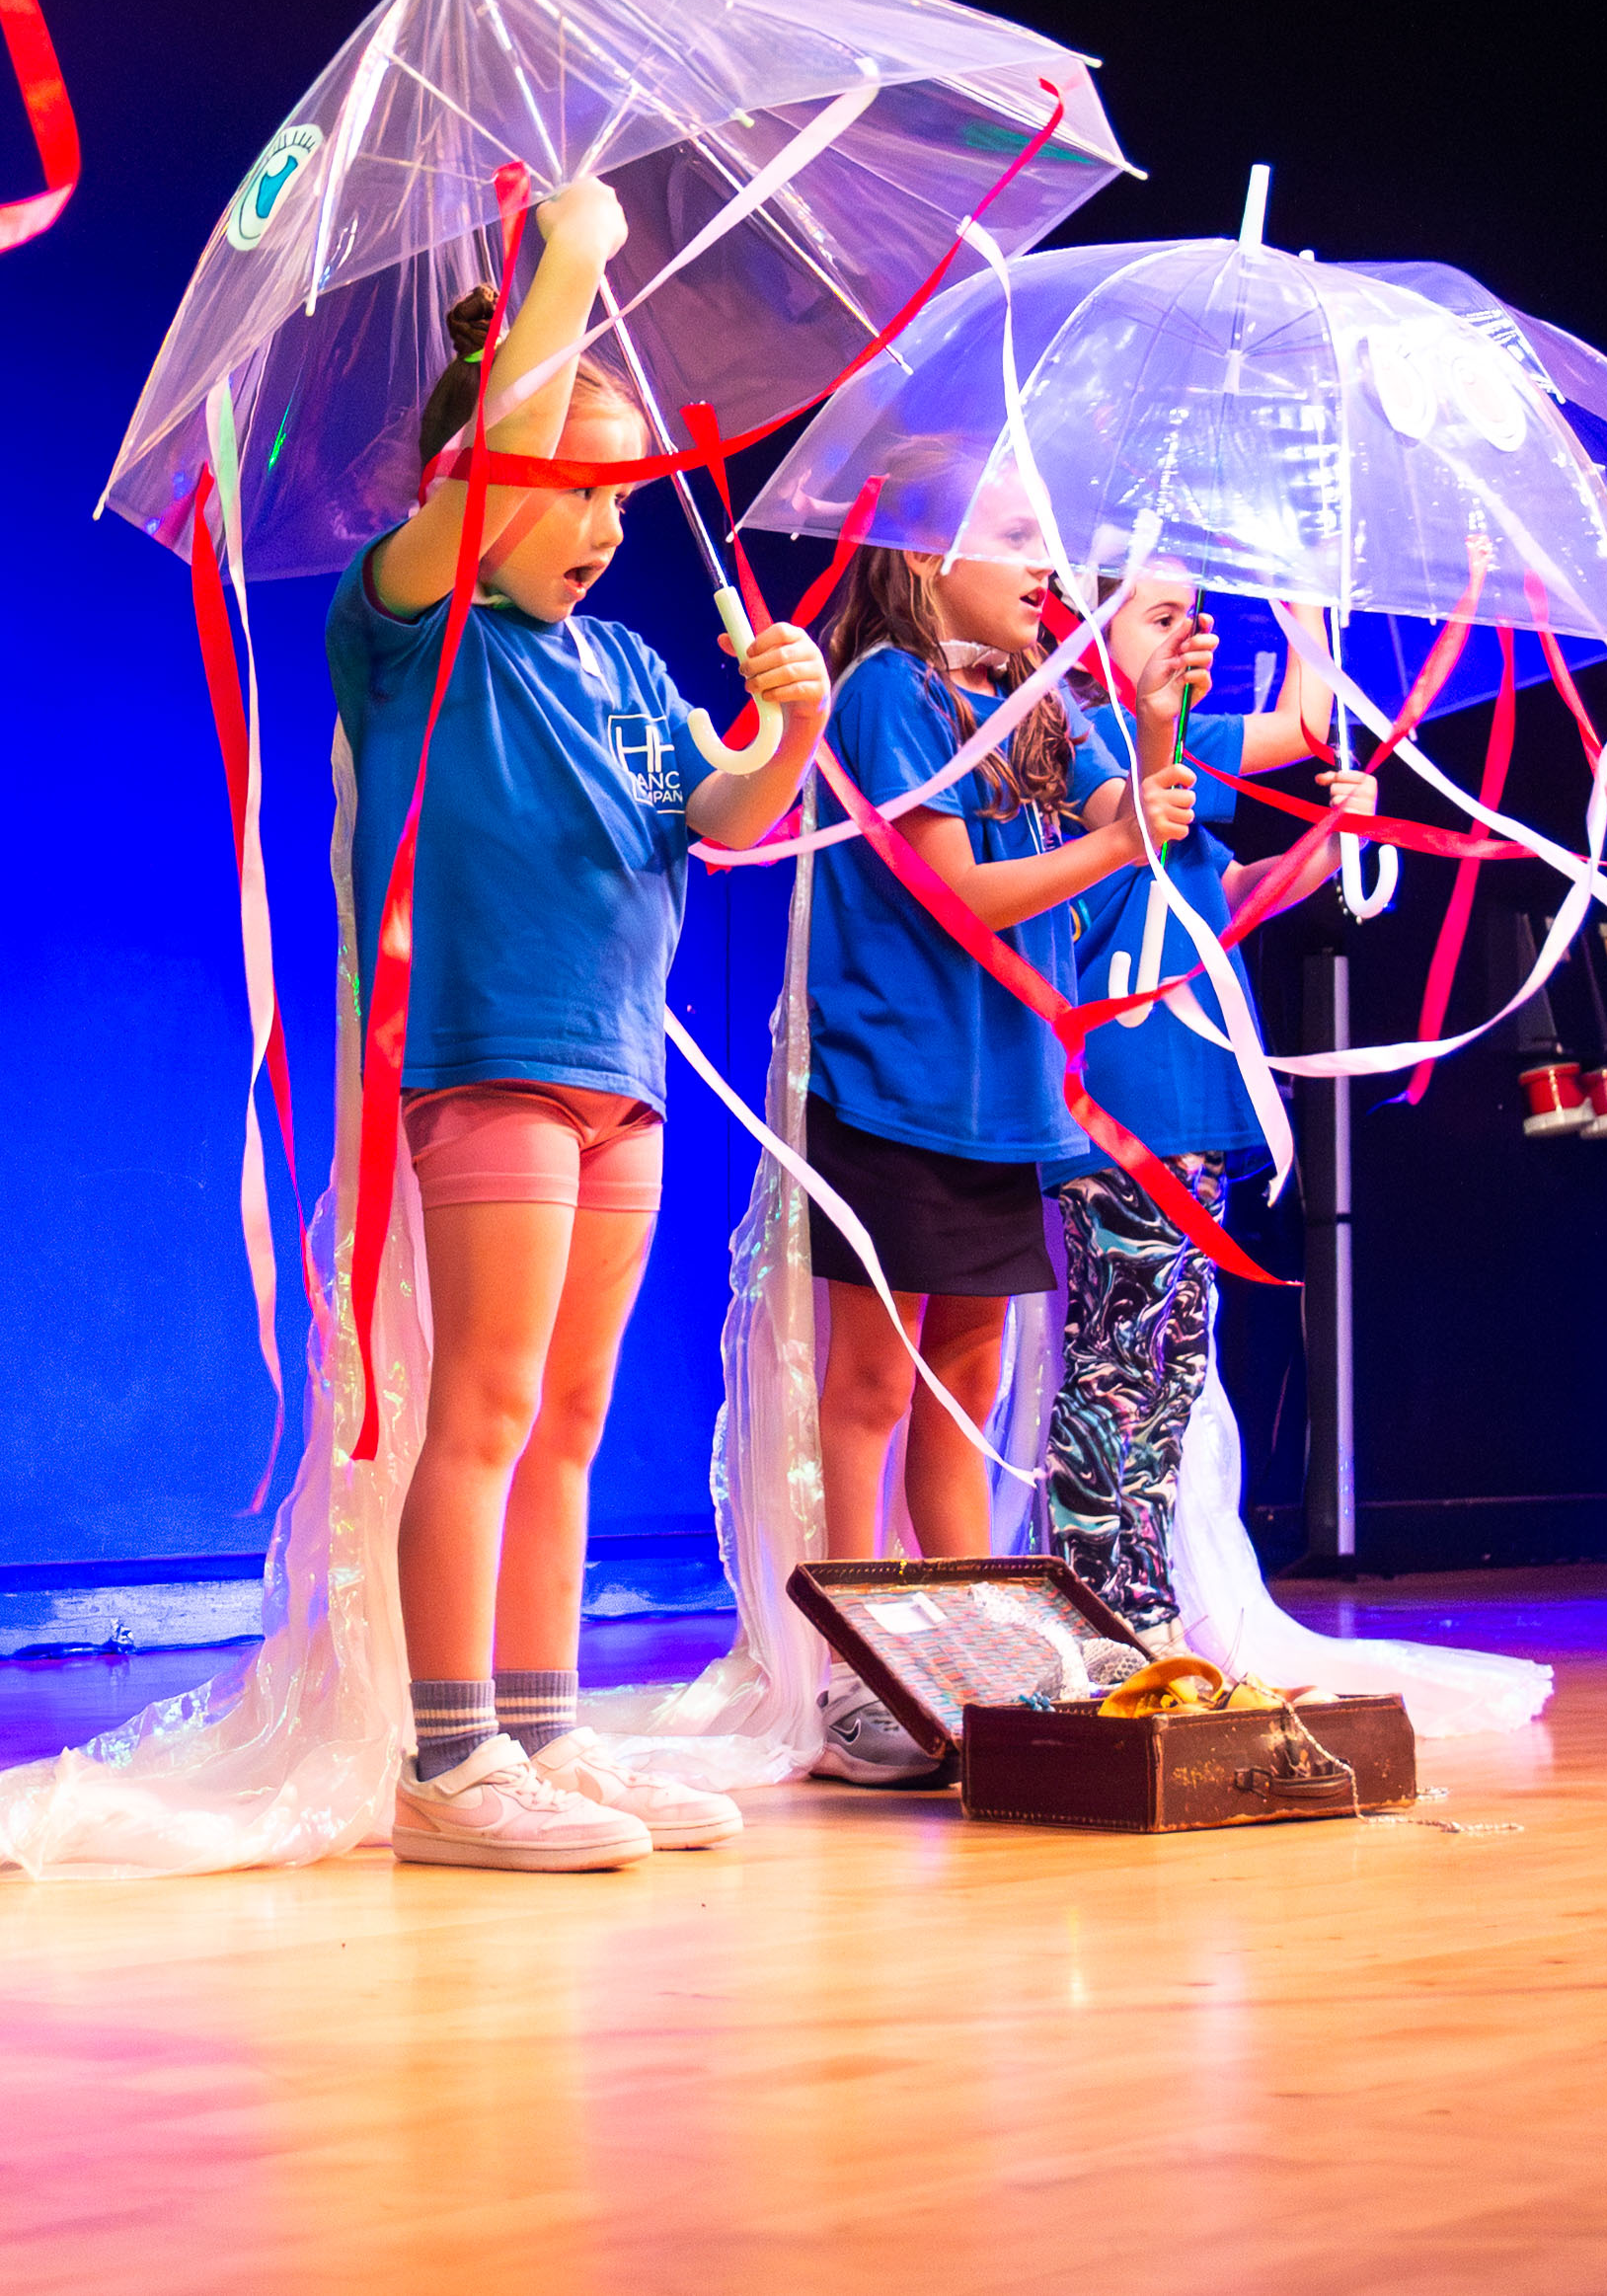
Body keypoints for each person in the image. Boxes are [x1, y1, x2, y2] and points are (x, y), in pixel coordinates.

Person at [336, 175, 832, 1871]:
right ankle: (449, 1759)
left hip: (618, 1076)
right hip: (495, 1060)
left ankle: (544, 1730)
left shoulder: (621, 663)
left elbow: (724, 816)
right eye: (576, 482)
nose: (609, 518)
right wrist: (572, 261)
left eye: (625, 489)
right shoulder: (411, 627)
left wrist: (782, 732)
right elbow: (488, 465)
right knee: (483, 1403)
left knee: (568, 1414)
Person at [794, 469, 1194, 1785]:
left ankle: (963, 1671)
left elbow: (1127, 811)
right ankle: (849, 1681)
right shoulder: (886, 691)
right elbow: (955, 891)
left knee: (963, 1393)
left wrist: (1155, 720)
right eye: (1017, 538)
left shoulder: (1036, 697)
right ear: (923, 553)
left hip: (1003, 1104)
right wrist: (1119, 843)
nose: (1043, 569)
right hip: (894, 1090)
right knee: (871, 1387)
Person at [1044, 568, 1366, 1628]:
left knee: (1171, 1360)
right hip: (1123, 1097)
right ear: (1088, 627)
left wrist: (1328, 841)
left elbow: (1228, 889)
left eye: (1196, 614)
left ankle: (1140, 1601)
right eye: (1160, 616)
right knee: (1119, 1356)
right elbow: (1291, 730)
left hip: (1191, 1096)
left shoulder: (1175, 746)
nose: (1191, 634)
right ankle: (1102, 1606)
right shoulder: (1077, 740)